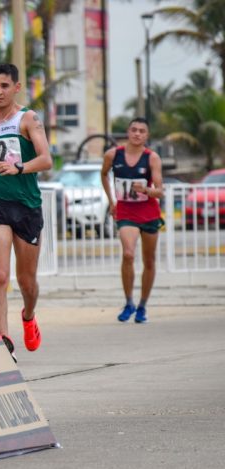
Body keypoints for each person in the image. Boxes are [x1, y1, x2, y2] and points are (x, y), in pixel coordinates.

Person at [0, 63, 53, 362]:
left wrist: (20, 167)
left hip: (26, 205)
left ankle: (29, 315)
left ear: (16, 87)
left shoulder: (28, 119)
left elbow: (46, 159)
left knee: (27, 281)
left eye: (5, 86)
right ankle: (3, 341)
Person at [101, 118, 164, 323]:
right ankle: (129, 302)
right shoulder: (113, 155)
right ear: (128, 132)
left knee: (149, 260)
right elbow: (103, 175)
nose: (137, 134)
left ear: (147, 135)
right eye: (134, 130)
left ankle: (142, 306)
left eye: (142, 131)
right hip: (126, 211)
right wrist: (112, 200)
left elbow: (160, 191)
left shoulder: (152, 158)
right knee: (128, 254)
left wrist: (146, 189)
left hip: (149, 213)